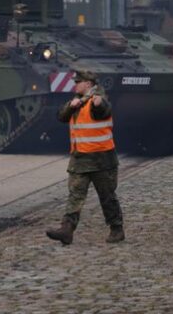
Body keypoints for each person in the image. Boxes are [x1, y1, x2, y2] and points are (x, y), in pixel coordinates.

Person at [46, 70, 124, 245]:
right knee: (75, 195)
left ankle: (116, 228)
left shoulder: (99, 100)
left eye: (78, 82)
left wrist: (97, 104)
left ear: (88, 84)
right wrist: (70, 106)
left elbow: (103, 110)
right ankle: (66, 230)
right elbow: (61, 116)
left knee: (107, 196)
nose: (75, 85)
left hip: (101, 159)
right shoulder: (78, 101)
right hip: (80, 158)